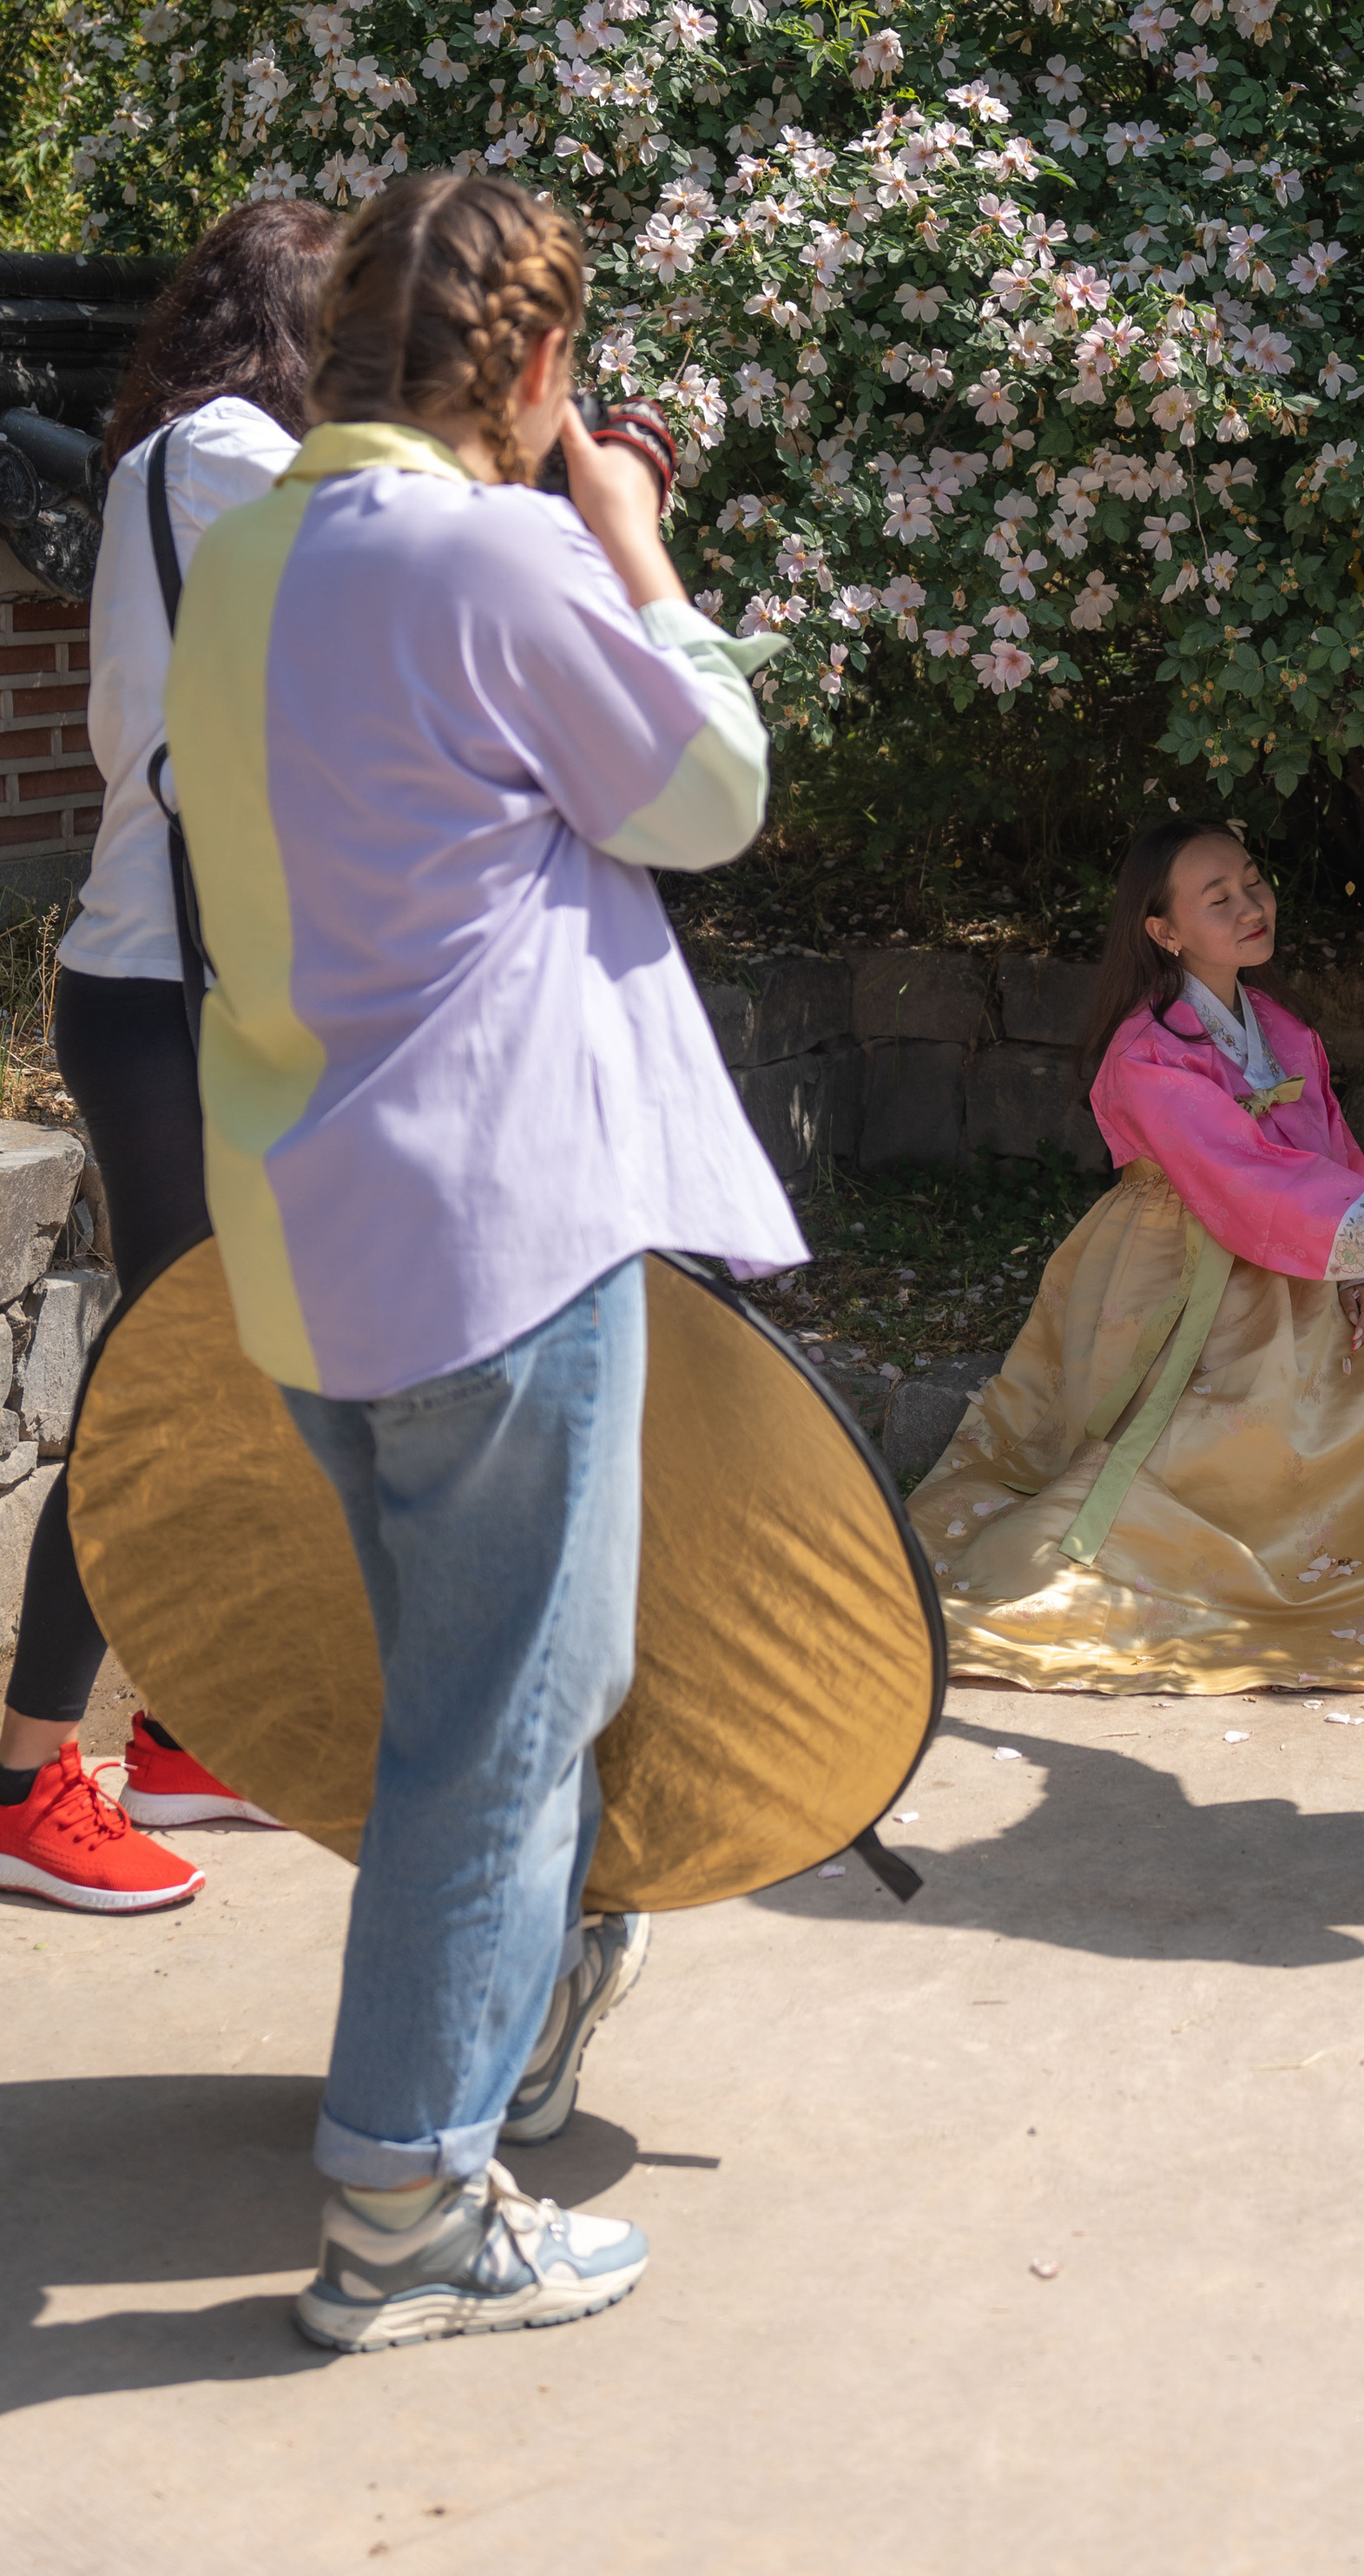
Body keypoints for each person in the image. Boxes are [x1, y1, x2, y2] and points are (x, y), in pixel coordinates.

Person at [165, 171, 804, 2350]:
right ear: (534, 371)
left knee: (484, 1703)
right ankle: (414, 2198)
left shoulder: (247, 553)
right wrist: (631, 530)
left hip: (305, 1235)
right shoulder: (501, 544)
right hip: (495, 1230)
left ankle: (480, 2060)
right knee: (501, 1724)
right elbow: (708, 785)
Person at [903, 817, 1364, 1693]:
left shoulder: (1284, 1033)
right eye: (1217, 899)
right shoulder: (1146, 1050)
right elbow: (1235, 1174)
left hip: (1281, 1268)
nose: (1250, 906)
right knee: (1174, 1439)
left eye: (1252, 882)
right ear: (1164, 931)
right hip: (1170, 1276)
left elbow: (1323, 1151)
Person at [0, 199, 339, 1919]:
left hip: (185, 986)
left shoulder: (183, 463)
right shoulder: (221, 454)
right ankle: (23, 1765)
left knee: (233, 1364)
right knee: (162, 1376)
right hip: (164, 994)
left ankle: (189, 1729)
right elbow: (379, 575)